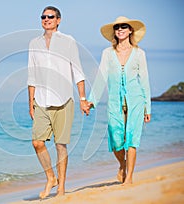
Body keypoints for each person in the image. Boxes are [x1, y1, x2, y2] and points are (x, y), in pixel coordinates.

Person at [27, 6, 90, 199]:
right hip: (41, 100)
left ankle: (61, 188)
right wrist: (31, 102)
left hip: (63, 100)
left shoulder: (68, 41)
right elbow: (31, 74)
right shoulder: (34, 43)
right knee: (37, 143)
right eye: (43, 17)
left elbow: (78, 71)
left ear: (59, 20)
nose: (46, 19)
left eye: (50, 17)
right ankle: (50, 177)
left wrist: (82, 99)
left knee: (60, 145)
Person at [88, 16, 151, 185]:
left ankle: (129, 177)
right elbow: (101, 77)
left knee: (132, 138)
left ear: (130, 30)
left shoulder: (139, 53)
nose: (120, 29)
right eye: (117, 27)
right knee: (116, 139)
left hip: (136, 100)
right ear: (114, 32)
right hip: (115, 101)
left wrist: (148, 108)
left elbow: (144, 80)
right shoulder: (107, 53)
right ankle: (122, 164)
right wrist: (91, 101)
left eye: (124, 26)